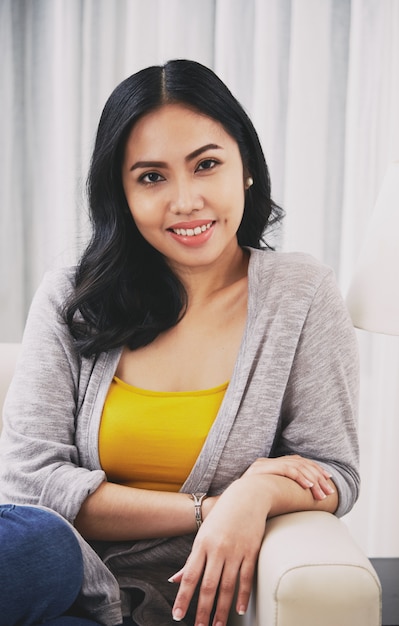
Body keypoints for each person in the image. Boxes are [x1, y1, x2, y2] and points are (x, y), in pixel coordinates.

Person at [0, 59, 360, 626]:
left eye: (206, 165)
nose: (185, 200)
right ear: (121, 192)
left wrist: (256, 496)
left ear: (245, 167)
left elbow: (334, 473)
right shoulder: (72, 296)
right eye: (151, 177)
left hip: (152, 607)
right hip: (46, 579)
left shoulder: (300, 294)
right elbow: (27, 484)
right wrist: (214, 508)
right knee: (37, 544)